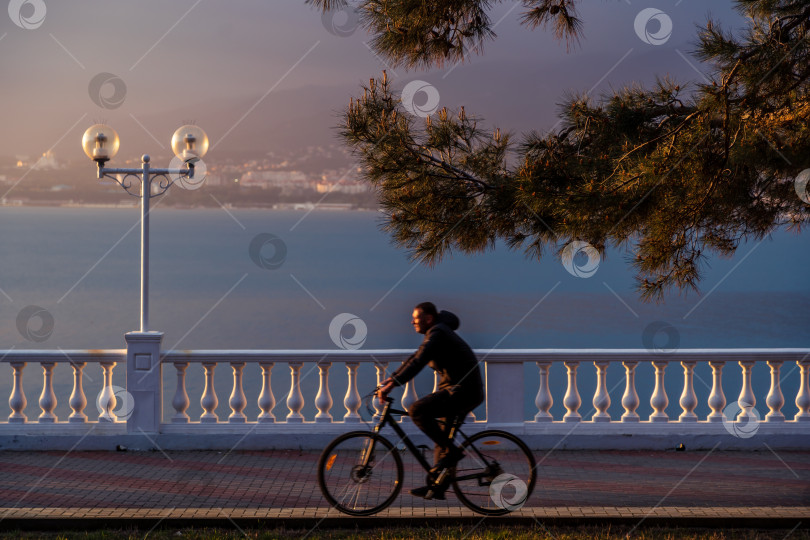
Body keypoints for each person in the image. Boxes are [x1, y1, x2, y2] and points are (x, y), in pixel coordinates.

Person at [378, 302, 485, 500]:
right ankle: (438, 486)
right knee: (442, 439)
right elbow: (416, 357)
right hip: (459, 389)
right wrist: (392, 378)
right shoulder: (436, 332)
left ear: (428, 319)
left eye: (415, 318)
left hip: (462, 391)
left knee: (417, 410)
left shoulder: (438, 333)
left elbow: (418, 362)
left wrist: (393, 385)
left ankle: (452, 453)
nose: (412, 322)